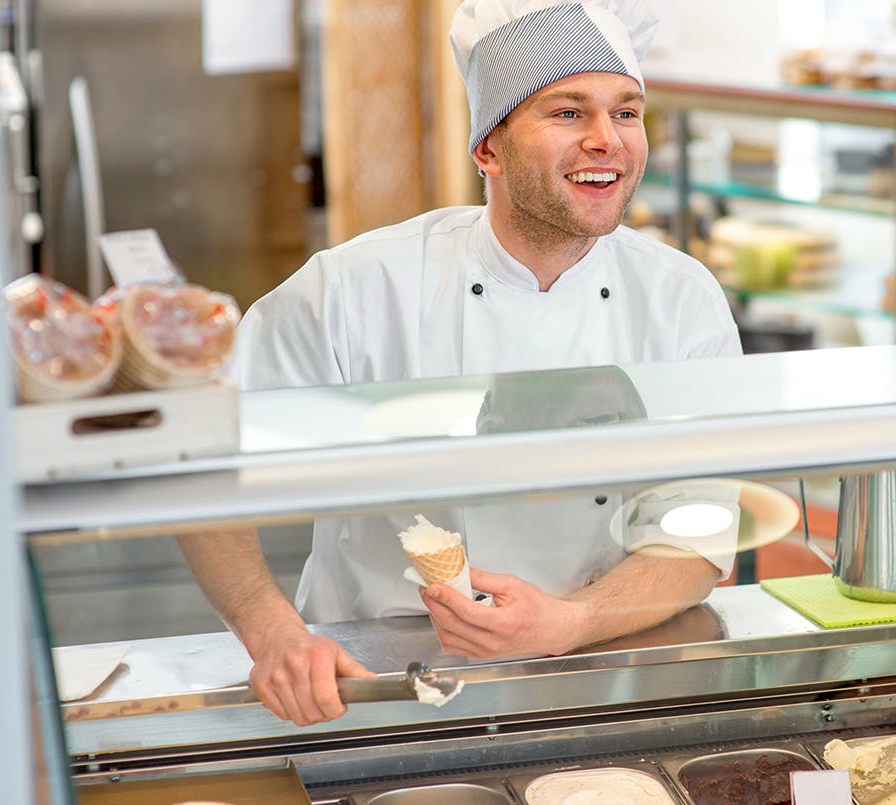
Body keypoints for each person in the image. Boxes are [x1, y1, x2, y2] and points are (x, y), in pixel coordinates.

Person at [178, 0, 741, 727]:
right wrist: (273, 631)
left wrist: (567, 622)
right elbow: (201, 454)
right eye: (568, 113)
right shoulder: (357, 288)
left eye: (626, 113)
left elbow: (696, 535)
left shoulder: (681, 298)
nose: (607, 140)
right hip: (378, 685)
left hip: (601, 668)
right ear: (489, 149)